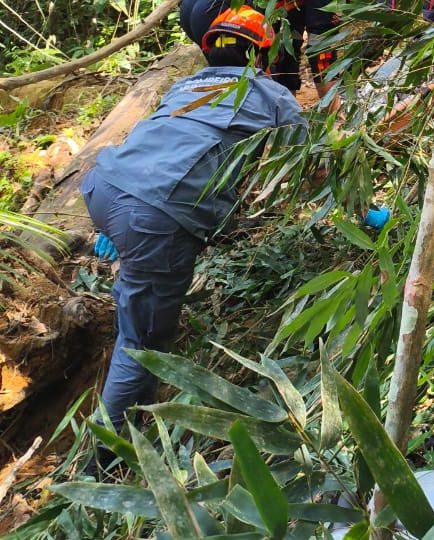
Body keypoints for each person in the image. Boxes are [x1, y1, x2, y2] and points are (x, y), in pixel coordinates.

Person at [81, 6, 306, 453]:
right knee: (142, 342)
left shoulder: (186, 86)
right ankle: (101, 460)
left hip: (105, 186)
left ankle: (136, 392)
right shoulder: (274, 98)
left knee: (141, 291)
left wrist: (117, 221)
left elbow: (159, 139)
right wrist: (367, 214)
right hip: (153, 214)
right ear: (262, 55)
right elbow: (314, 171)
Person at [180, 0, 339, 100]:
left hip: (194, 9)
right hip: (223, 16)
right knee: (246, 92)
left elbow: (287, 40)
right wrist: (336, 117)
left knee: (226, 91)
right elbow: (321, 46)